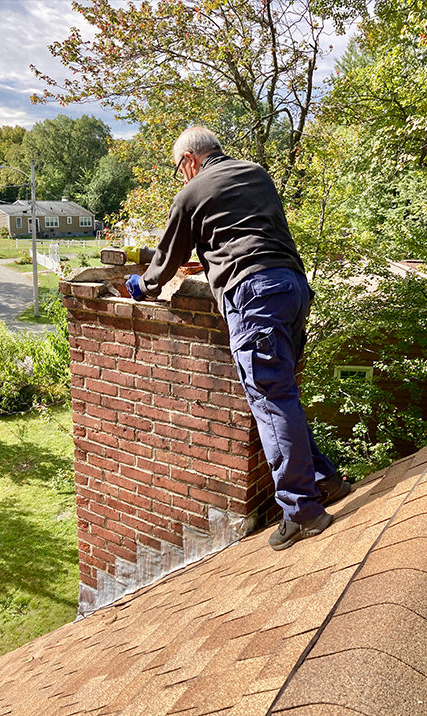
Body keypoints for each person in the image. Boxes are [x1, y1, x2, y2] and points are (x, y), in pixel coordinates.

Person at [125, 126, 350, 550]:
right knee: (283, 392)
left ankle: (302, 512)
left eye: (180, 170)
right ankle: (324, 481)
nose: (182, 177)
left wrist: (142, 286)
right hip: (293, 288)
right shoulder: (256, 173)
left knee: (270, 398)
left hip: (253, 294)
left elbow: (168, 258)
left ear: (190, 160)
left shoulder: (191, 194)